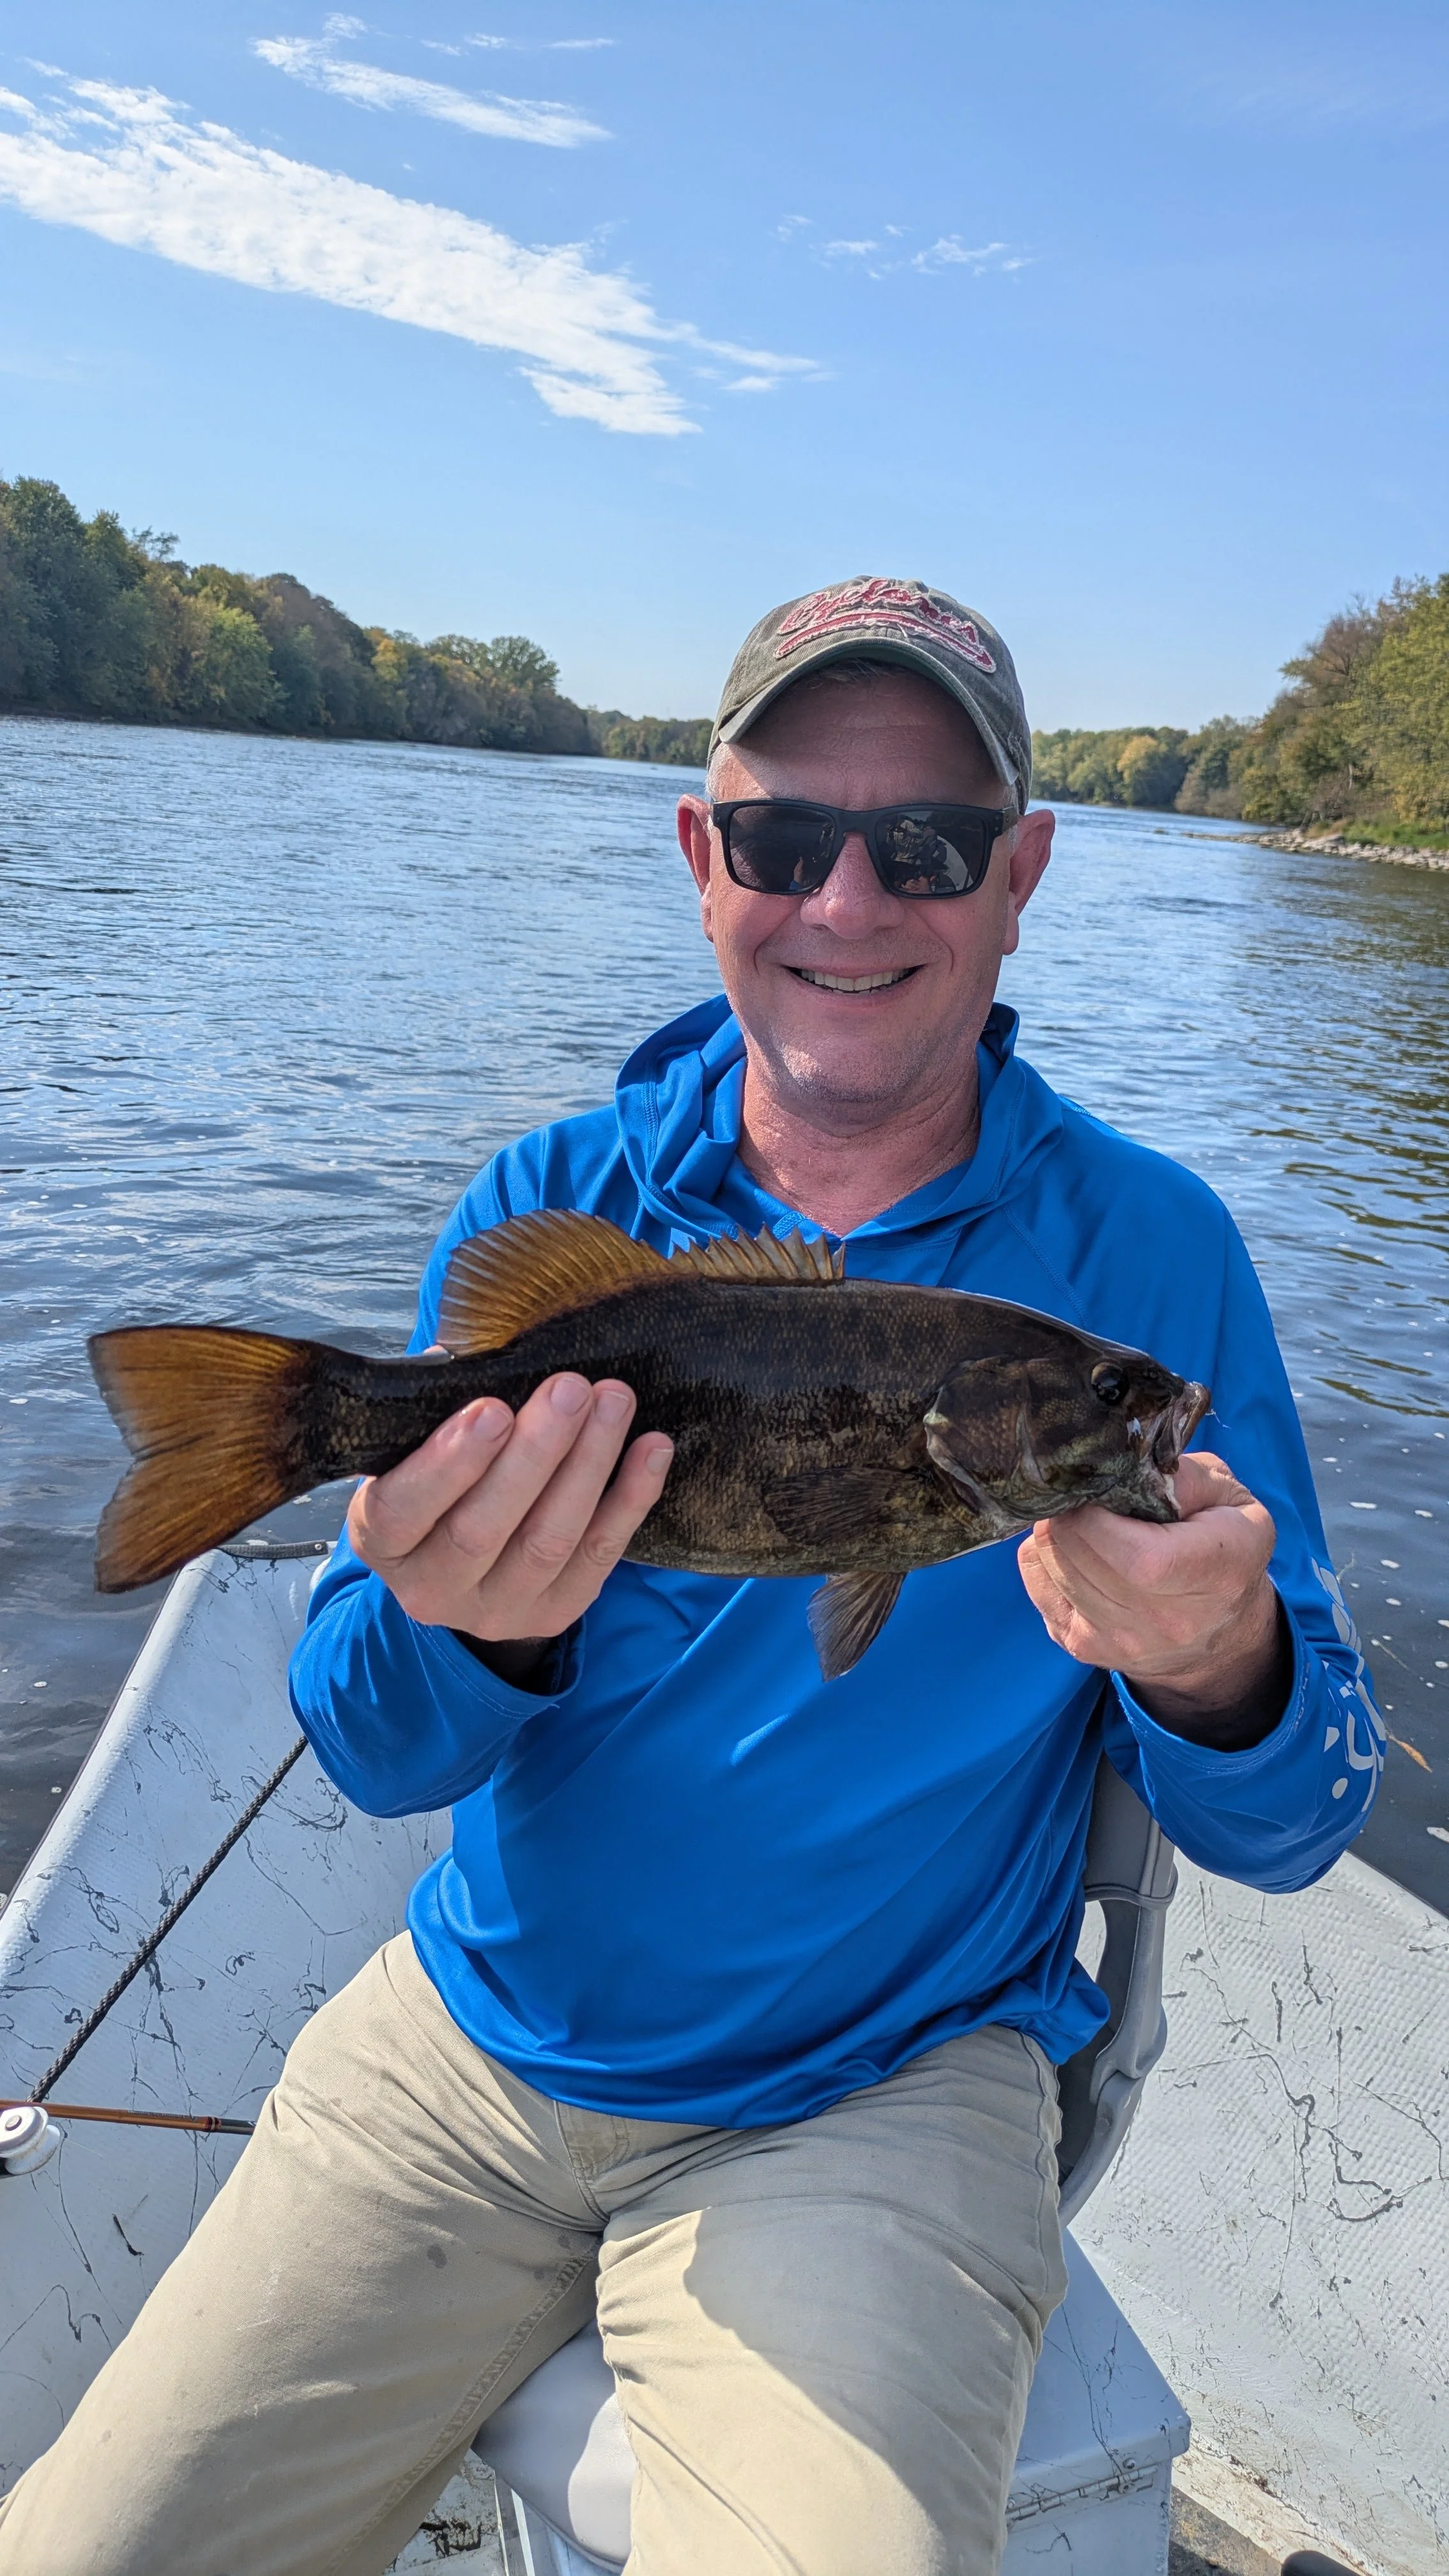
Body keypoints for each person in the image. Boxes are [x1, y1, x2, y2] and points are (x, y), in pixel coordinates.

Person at [0, 577, 1383, 2576]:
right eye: (780, 837)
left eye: (923, 843)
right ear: (698, 853)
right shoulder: (550, 1206)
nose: (846, 900)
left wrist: (1218, 1663)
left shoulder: (1149, 1256)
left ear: (1020, 874)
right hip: (466, 2052)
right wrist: (473, 1619)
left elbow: (1297, 1813)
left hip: (879, 2100)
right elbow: (377, 1751)